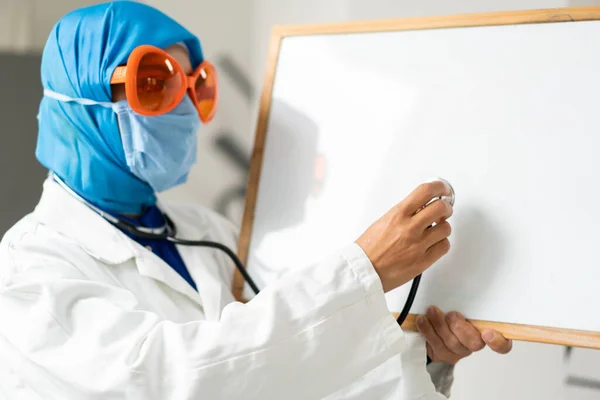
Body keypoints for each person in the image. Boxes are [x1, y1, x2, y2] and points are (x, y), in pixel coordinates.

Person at [0, 2, 512, 399]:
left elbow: (286, 372)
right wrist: (363, 270)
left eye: (192, 87)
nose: (181, 109)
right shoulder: (30, 270)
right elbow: (167, 382)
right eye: (155, 83)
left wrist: (423, 358)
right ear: (78, 105)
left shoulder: (208, 233)